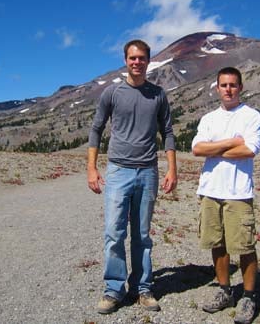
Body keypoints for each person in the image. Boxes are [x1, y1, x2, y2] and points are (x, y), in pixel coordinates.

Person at [87, 39, 178, 315]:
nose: (137, 62)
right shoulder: (112, 93)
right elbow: (96, 129)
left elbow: (169, 133)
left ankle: (142, 288)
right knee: (114, 232)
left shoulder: (158, 95)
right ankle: (114, 289)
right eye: (132, 58)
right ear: (125, 60)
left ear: (148, 61)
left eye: (141, 58)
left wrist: (172, 169)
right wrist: (91, 168)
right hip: (117, 171)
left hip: (148, 172)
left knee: (142, 234)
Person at [191, 66, 260, 324]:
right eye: (224, 85)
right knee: (218, 244)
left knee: (244, 246)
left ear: (241, 87)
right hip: (210, 191)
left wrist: (214, 150)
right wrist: (231, 142)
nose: (228, 89)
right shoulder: (209, 118)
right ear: (217, 88)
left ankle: (248, 296)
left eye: (233, 85)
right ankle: (224, 291)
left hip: (238, 192)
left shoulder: (251, 116)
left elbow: (250, 149)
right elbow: (197, 149)